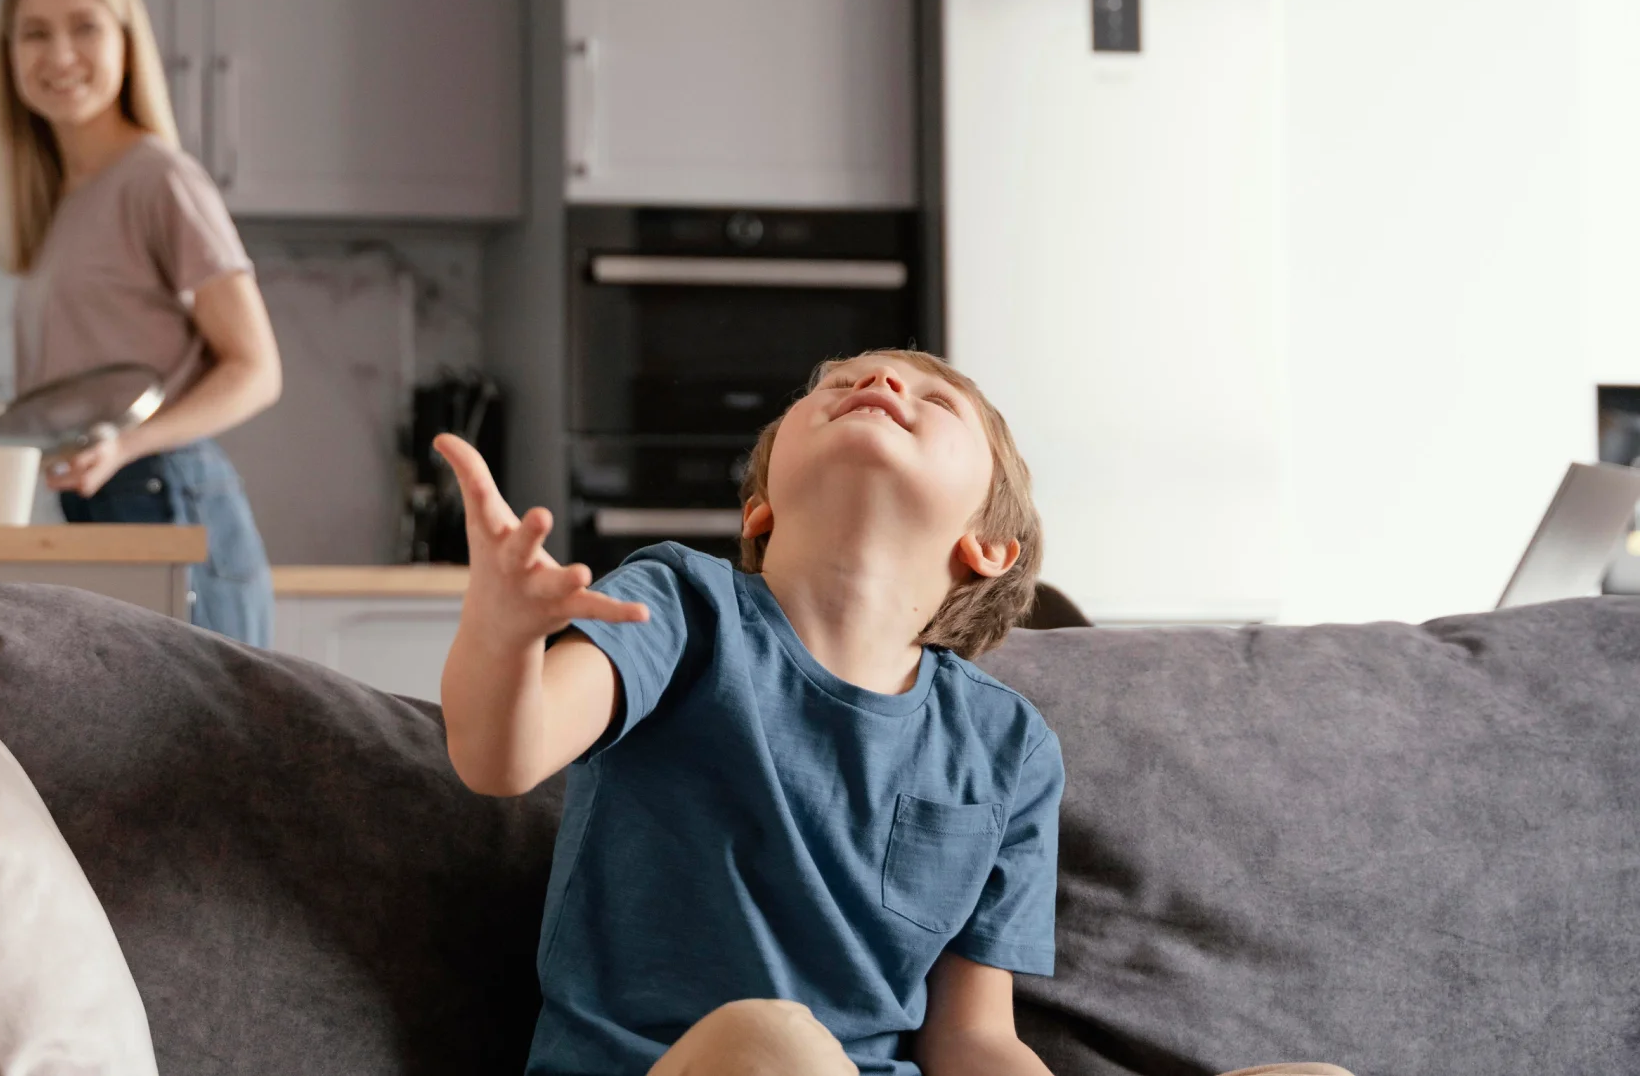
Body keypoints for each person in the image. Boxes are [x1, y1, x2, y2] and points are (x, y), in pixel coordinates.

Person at [433, 349, 1356, 1076]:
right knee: (773, 1044)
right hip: (701, 1066)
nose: (878, 380)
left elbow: (973, 1043)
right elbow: (499, 759)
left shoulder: (1008, 747)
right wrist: (503, 633)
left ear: (991, 546)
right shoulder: (679, 604)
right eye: (841, 381)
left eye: (935, 399)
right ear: (759, 511)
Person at [0, 0, 280, 647]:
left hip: (165, 497)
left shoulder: (161, 179)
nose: (60, 54)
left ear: (128, 43)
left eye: (85, 27)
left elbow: (256, 370)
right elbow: (89, 391)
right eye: (35, 33)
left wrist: (124, 446)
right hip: (106, 499)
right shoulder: (64, 197)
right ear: (9, 55)